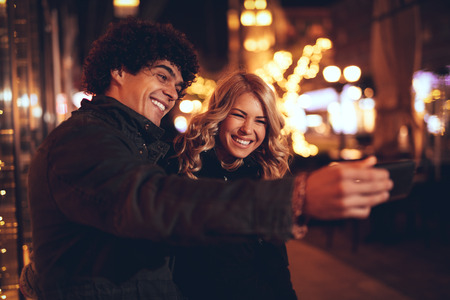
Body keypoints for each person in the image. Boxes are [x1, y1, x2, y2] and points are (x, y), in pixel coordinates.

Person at [25, 17, 393, 300]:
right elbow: (149, 202)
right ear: (119, 69)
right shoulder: (86, 139)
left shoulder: (137, 144)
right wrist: (293, 198)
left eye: (178, 84)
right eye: (162, 76)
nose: (171, 92)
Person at [170, 71, 297, 299]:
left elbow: (275, 263)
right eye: (239, 115)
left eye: (260, 121)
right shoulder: (181, 165)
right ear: (219, 113)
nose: (247, 129)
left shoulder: (264, 173)